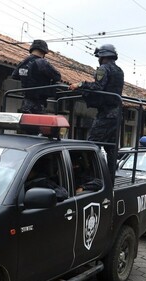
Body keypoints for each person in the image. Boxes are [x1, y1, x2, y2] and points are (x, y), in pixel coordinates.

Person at [70, 44, 124, 178]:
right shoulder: (119, 70)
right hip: (116, 114)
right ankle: (109, 180)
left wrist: (80, 84)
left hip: (106, 113)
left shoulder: (104, 68)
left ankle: (90, 177)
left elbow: (98, 86)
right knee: (111, 149)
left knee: (91, 145)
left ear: (102, 56)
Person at [11, 39, 62, 114]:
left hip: (25, 103)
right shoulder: (42, 63)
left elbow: (14, 76)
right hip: (38, 104)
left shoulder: (23, 62)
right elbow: (57, 76)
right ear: (44, 52)